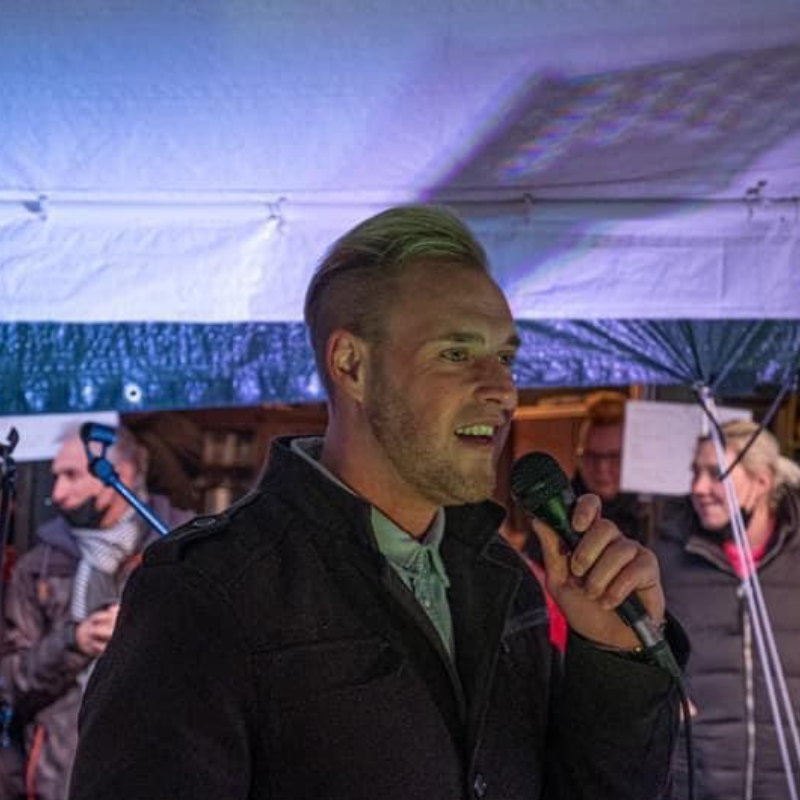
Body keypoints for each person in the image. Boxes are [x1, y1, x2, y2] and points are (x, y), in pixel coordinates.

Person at [70, 205, 686, 800]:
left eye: (504, 357)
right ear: (351, 364)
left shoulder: (504, 582)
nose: (502, 389)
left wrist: (614, 655)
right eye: (456, 353)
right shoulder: (209, 594)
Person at [0, 425, 191, 800]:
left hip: (157, 769)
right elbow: (8, 680)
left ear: (124, 473)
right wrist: (74, 641)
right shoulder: (40, 564)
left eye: (71, 475)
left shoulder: (181, 550)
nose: (57, 493)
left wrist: (144, 632)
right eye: (55, 478)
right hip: (62, 774)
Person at [657, 418, 800, 800]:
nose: (698, 488)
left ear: (762, 481)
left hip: (787, 778)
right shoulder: (665, 560)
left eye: (716, 473)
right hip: (699, 779)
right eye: (695, 472)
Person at [573, 390, 648, 542]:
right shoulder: (556, 507)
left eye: (615, 456)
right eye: (592, 455)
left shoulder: (656, 516)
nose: (602, 467)